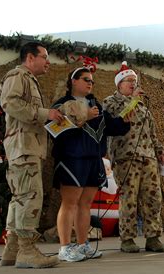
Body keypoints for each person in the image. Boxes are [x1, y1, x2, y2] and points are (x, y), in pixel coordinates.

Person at [52, 66, 131, 262]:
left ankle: (82, 244)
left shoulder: (95, 104)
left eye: (92, 80)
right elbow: (54, 131)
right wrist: (84, 117)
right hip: (72, 159)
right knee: (69, 203)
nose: (90, 83)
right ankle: (64, 247)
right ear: (73, 81)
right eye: (86, 79)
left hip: (93, 159)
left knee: (85, 205)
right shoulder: (61, 105)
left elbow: (111, 127)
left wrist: (125, 120)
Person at [0, 42, 63, 268]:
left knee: (20, 198)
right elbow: (10, 103)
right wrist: (46, 114)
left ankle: (12, 250)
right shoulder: (17, 76)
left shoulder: (29, 80)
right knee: (31, 196)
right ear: (30, 57)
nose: (48, 62)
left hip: (26, 146)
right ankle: (27, 250)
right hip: (23, 146)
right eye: (44, 57)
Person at [103, 62, 164, 253]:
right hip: (125, 157)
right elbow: (119, 121)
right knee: (128, 199)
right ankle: (127, 238)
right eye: (129, 81)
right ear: (119, 84)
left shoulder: (142, 106)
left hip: (148, 157)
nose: (133, 84)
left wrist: (159, 150)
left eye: (135, 81)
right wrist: (131, 101)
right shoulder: (110, 102)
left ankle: (153, 237)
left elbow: (152, 131)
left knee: (153, 198)